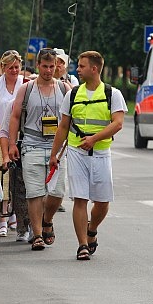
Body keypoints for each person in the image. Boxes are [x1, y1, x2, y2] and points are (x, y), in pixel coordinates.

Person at [49, 51, 127, 261]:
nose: (78, 70)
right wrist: (54, 154)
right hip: (76, 151)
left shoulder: (112, 94)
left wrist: (94, 139)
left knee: (102, 202)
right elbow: (63, 126)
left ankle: (92, 230)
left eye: (82, 66)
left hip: (101, 152)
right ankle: (82, 244)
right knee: (80, 199)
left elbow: (118, 123)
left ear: (94, 68)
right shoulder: (73, 94)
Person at [8, 49, 70, 250]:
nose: (49, 70)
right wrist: (11, 144)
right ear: (38, 66)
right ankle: (36, 234)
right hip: (32, 144)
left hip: (58, 147)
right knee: (34, 192)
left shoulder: (64, 88)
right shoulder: (26, 89)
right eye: (45, 66)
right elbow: (15, 116)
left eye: (52, 66)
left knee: (57, 191)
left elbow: (72, 117)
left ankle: (47, 220)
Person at [0, 50, 23, 237]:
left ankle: (15, 214)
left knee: (17, 180)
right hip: (0, 136)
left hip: (19, 138)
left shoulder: (25, 85)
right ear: (3, 68)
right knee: (2, 179)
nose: (14, 71)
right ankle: (2, 219)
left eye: (17, 67)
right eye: (10, 68)